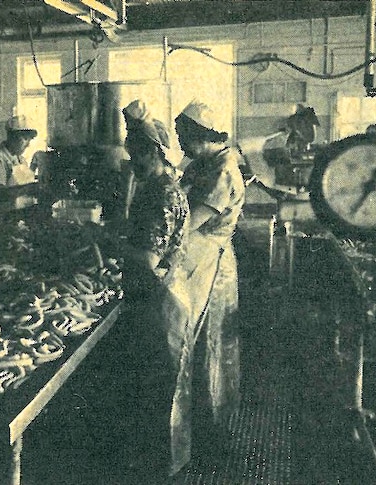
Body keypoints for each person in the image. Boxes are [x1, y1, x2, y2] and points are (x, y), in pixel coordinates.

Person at [116, 100, 192, 478]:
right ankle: (162, 464)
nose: (133, 164)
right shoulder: (163, 186)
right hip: (161, 295)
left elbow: (146, 259)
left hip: (160, 301)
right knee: (162, 389)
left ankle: (156, 471)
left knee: (158, 389)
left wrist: (107, 240)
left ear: (155, 153)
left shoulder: (160, 194)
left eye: (138, 156)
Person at [173, 100, 245, 465]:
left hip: (210, 266)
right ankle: (201, 426)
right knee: (199, 347)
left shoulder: (223, 172)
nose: (181, 144)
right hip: (196, 262)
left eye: (185, 137)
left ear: (203, 137)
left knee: (210, 348)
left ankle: (213, 435)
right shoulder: (203, 164)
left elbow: (188, 221)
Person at [0, 115, 38, 197]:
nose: (28, 145)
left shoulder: (21, 159)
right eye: (25, 139)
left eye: (30, 139)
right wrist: (26, 189)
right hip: (4, 209)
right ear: (12, 136)